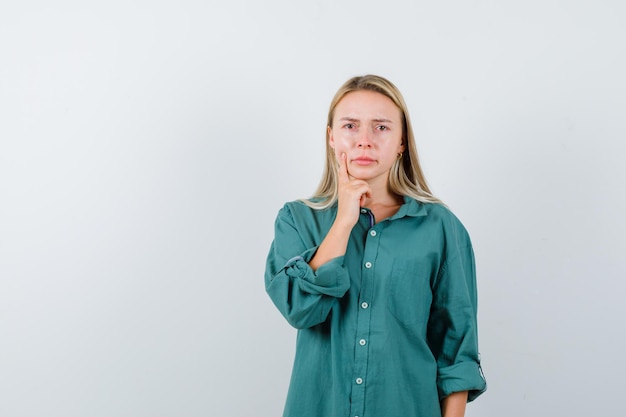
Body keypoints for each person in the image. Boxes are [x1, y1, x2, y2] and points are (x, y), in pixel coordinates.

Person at [265, 75, 486, 417]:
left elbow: (457, 352)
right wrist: (343, 221)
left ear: (401, 142)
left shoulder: (441, 229)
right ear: (331, 137)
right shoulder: (297, 219)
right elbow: (300, 309)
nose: (364, 141)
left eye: (381, 128)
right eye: (351, 125)